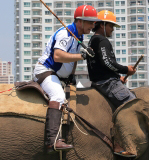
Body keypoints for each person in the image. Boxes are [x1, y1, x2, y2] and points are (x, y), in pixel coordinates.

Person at [33, 5, 100, 153]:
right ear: (80, 22)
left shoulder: (79, 36)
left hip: (59, 75)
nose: (92, 25)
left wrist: (71, 76)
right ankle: (52, 141)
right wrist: (82, 55)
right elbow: (58, 56)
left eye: (93, 23)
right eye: (90, 22)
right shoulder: (65, 33)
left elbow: (73, 60)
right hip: (45, 72)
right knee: (58, 95)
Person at [86, 10, 137, 157]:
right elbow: (107, 62)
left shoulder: (93, 40)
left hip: (104, 80)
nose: (113, 29)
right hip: (107, 83)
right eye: (111, 26)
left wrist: (118, 77)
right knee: (132, 105)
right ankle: (123, 144)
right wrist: (125, 69)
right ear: (102, 25)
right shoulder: (102, 40)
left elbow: (102, 66)